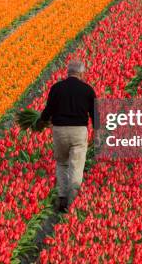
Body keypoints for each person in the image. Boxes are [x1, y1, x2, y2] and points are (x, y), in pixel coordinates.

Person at [40, 59, 97, 213]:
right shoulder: (87, 90)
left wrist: (41, 122)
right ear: (81, 73)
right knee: (76, 166)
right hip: (79, 131)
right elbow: (95, 115)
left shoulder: (57, 88)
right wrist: (96, 134)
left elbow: (49, 109)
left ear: (68, 72)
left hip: (60, 131)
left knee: (62, 163)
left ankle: (62, 196)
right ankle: (73, 198)